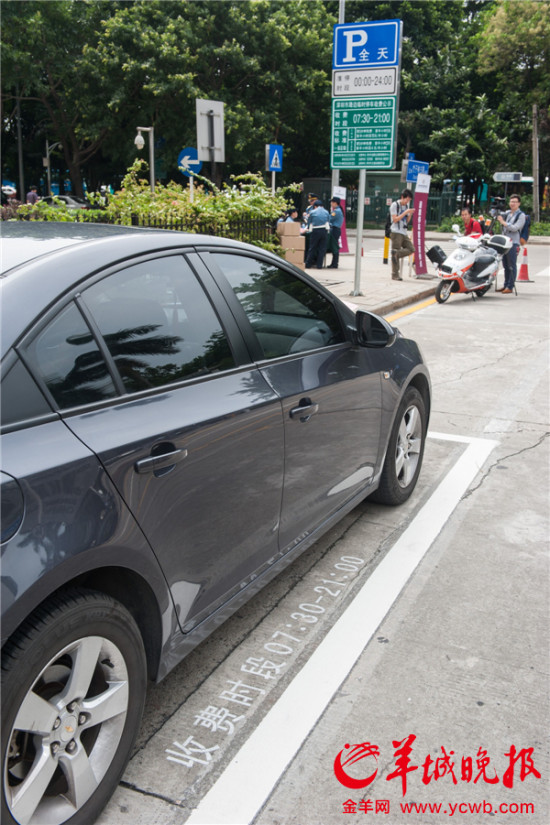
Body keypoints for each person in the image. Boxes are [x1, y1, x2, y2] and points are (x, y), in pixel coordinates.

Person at [496, 194, 525, 294]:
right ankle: (505, 285)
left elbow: (515, 228)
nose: (512, 204)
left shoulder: (521, 215)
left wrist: (503, 222)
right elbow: (495, 215)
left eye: (515, 202)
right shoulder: (508, 213)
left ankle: (510, 286)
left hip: (514, 243)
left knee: (511, 265)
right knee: (505, 265)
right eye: (511, 201)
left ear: (519, 203)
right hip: (505, 242)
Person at [389, 189, 415, 281]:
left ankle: (397, 254)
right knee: (395, 252)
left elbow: (406, 221)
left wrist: (410, 214)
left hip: (404, 232)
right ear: (402, 197)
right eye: (407, 200)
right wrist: (406, 212)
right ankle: (395, 274)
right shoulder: (394, 205)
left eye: (409, 201)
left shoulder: (406, 206)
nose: (407, 202)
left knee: (411, 249)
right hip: (396, 232)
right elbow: (395, 219)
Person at [305, 199, 329, 269]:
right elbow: (328, 221)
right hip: (324, 231)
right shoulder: (326, 212)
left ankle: (308, 264)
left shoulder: (312, 212)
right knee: (322, 249)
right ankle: (319, 265)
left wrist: (309, 227)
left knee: (312, 248)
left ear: (315, 206)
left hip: (315, 230)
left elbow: (309, 222)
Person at [327, 197, 344, 269]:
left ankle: (334, 264)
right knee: (335, 247)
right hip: (336, 230)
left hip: (335, 230)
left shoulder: (336, 211)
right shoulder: (338, 210)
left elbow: (329, 218)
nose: (331, 203)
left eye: (332, 202)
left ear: (335, 203)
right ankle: (334, 263)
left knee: (334, 247)